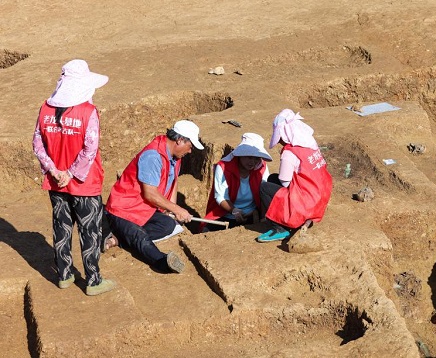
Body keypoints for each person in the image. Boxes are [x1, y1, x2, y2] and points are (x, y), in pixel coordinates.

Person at [32, 59, 116, 296]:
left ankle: (64, 275)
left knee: (62, 227)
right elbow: (90, 148)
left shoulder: (45, 109)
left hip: (55, 182)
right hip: (84, 183)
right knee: (90, 231)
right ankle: (93, 280)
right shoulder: (88, 112)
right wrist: (70, 174)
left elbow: (37, 143)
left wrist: (54, 171)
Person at [104, 120, 203, 273]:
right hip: (123, 210)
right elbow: (149, 193)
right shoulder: (153, 156)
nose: (190, 151)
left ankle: (118, 239)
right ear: (180, 140)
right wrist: (177, 209)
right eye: (190, 146)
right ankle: (162, 262)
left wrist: (172, 211)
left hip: (144, 209)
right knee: (140, 236)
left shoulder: (175, 158)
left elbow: (173, 182)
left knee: (169, 224)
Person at [257, 109, 333, 242]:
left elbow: (285, 181)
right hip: (318, 197)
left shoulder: (289, 153)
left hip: (305, 202)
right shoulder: (310, 144)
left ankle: (280, 227)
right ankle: (298, 218)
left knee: (264, 188)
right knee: (272, 179)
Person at [203, 133, 272, 232]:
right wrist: (234, 210)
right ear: (240, 155)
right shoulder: (223, 167)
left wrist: (262, 217)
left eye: (256, 158)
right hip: (225, 215)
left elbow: (265, 193)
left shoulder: (262, 167)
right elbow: (221, 197)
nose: (252, 162)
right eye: (249, 157)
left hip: (251, 215)